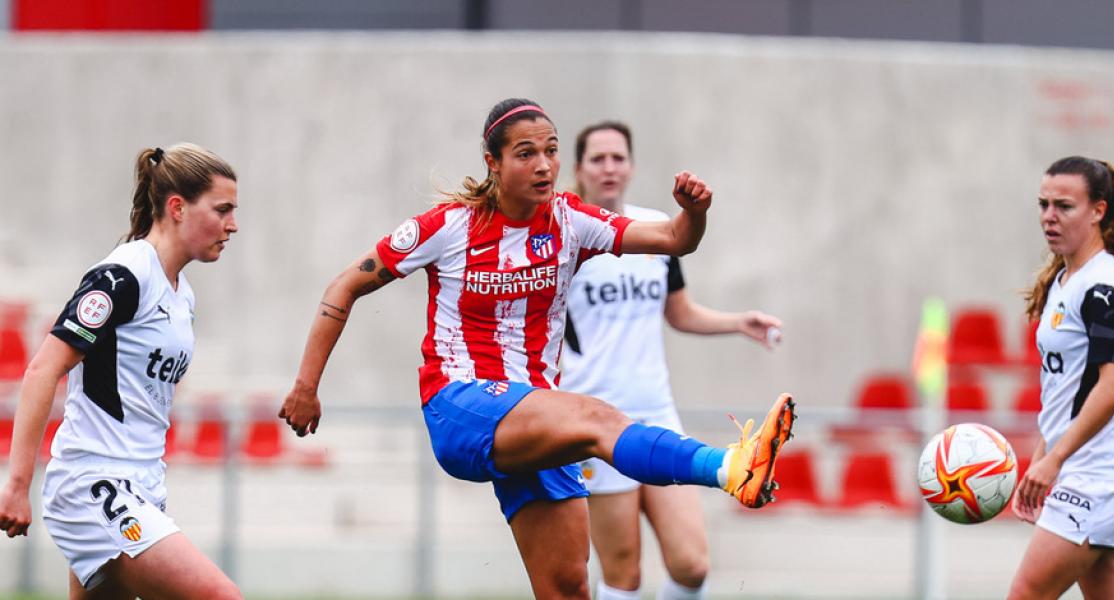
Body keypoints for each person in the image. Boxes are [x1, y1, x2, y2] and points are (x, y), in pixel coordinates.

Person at [277, 98, 795, 599]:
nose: (544, 165)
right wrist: (306, 385)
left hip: (534, 414)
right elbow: (344, 285)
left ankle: (727, 469)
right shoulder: (448, 227)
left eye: (550, 151)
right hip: (460, 404)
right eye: (526, 154)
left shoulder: (572, 221)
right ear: (493, 163)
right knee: (597, 418)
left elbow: (676, 240)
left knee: (568, 589)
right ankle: (728, 467)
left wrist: (694, 212)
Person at [0, 144, 243, 599]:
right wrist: (16, 485)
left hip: (142, 481)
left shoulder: (181, 294)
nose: (233, 224)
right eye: (222, 209)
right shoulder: (124, 276)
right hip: (95, 482)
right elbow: (42, 371)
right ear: (176, 207)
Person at [563, 120, 782, 600]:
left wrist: (738, 321)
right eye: (597, 158)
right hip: (598, 424)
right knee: (624, 575)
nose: (609, 167)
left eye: (618, 157)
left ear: (632, 165)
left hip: (657, 413)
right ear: (578, 168)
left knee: (692, 565)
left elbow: (678, 312)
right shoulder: (567, 234)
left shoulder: (652, 228)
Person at [1009, 156, 1114, 600]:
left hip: (1102, 475)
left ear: (1098, 210)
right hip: (1100, 473)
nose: (1049, 217)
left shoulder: (1102, 287)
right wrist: (1043, 456)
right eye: (1043, 204)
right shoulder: (1065, 279)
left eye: (1064, 206)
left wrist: (1054, 461)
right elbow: (1067, 388)